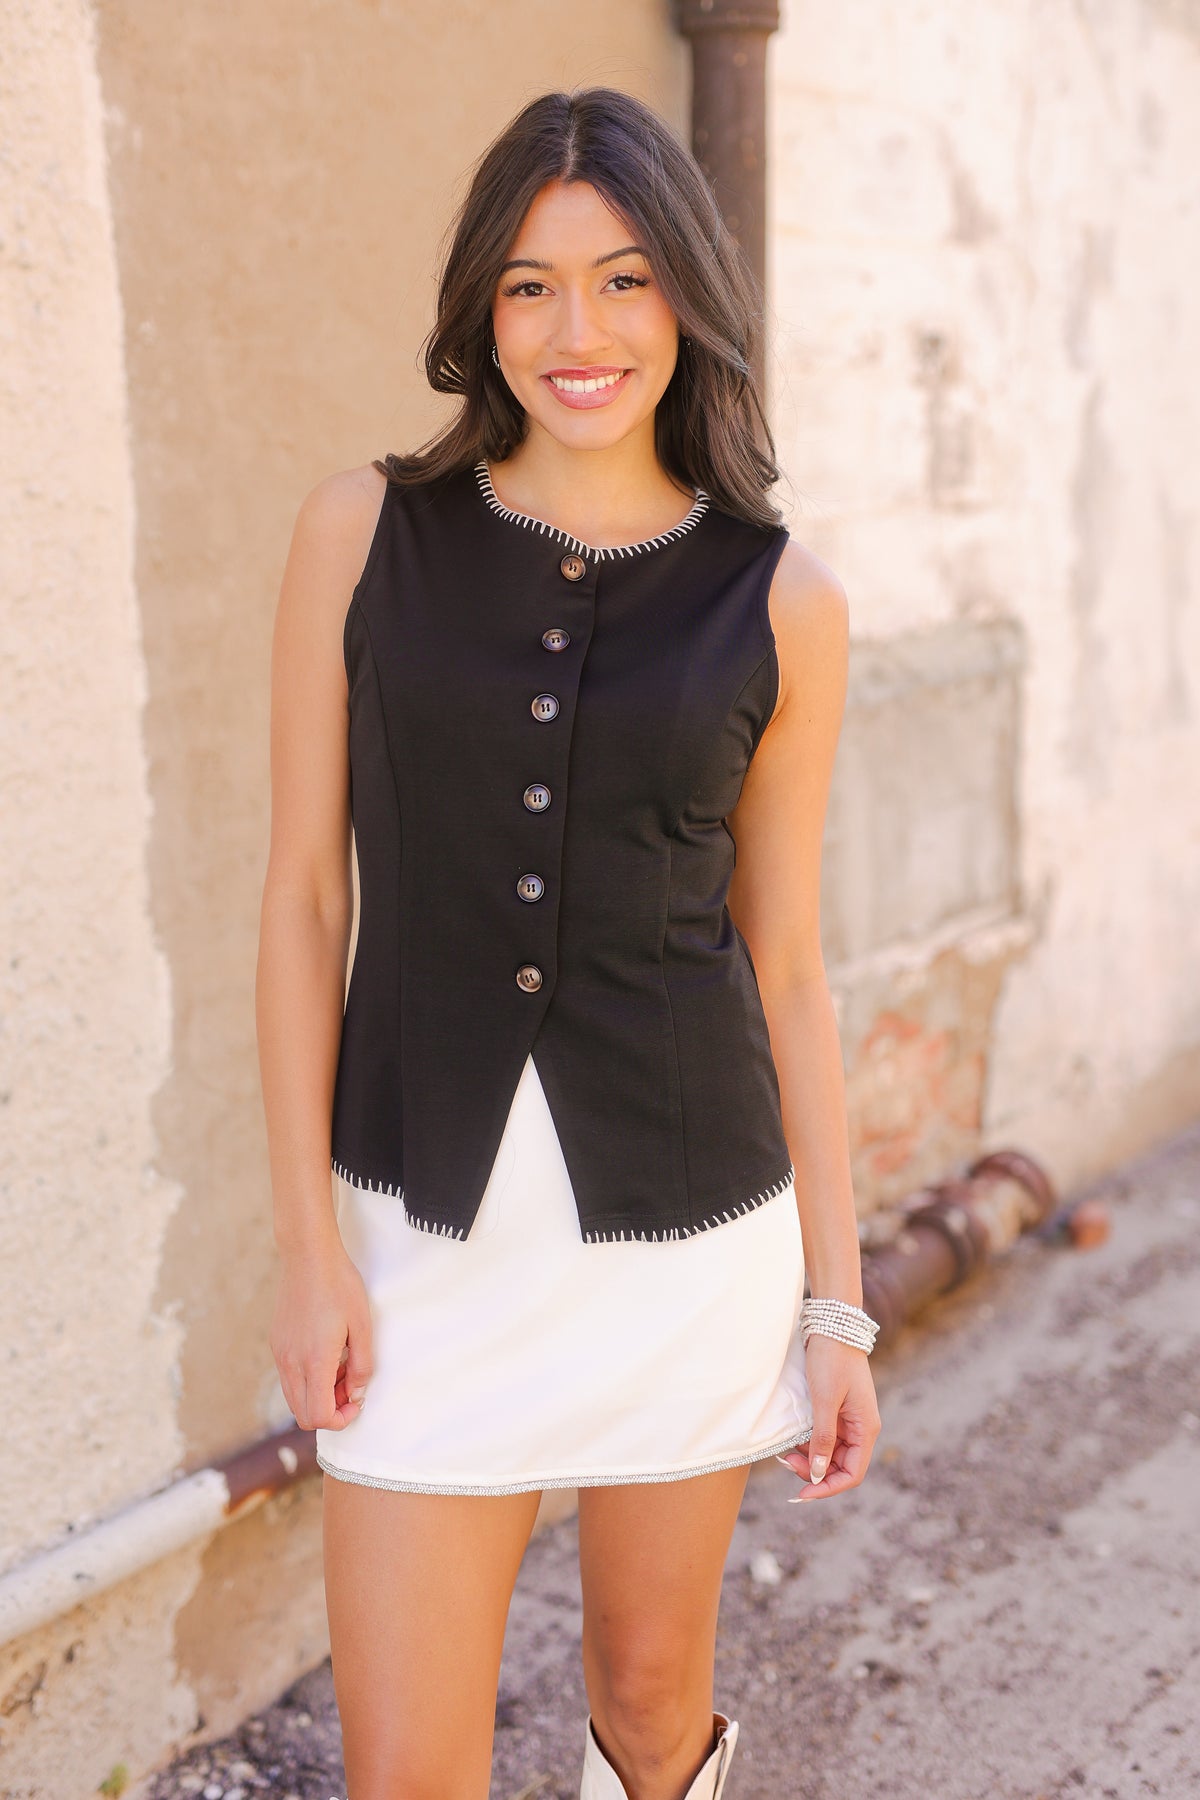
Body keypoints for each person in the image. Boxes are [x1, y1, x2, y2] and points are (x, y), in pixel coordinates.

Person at [256, 84, 881, 1800]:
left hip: (690, 1241)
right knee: (403, 1768)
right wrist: (307, 1247)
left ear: (687, 295)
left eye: (621, 279)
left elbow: (792, 969)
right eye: (531, 285)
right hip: (417, 1247)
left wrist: (838, 1304)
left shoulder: (785, 599)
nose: (578, 330)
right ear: (482, 309)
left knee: (650, 1698)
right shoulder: (361, 535)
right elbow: (309, 898)